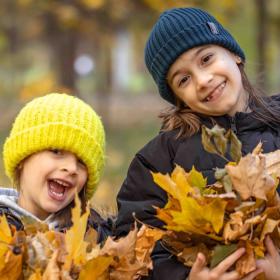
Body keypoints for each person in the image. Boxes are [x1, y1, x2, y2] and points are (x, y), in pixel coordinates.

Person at [115, 7, 280, 280]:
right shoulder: (159, 161)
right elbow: (133, 246)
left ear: (234, 54)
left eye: (206, 59)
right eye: (184, 79)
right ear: (177, 97)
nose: (203, 81)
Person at [0, 93, 110, 242]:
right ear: (22, 159)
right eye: (56, 151)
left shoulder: (97, 238)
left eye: (81, 162)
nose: (71, 168)